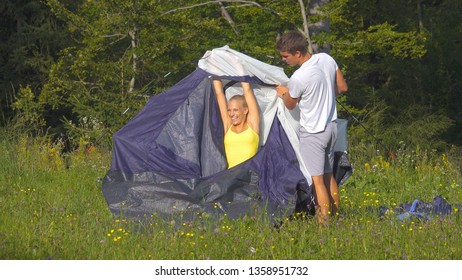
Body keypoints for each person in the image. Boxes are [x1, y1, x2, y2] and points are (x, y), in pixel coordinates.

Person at [275, 30, 348, 224]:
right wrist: (324, 94)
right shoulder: (326, 59)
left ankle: (324, 225)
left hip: (313, 134)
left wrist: (283, 93)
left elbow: (290, 104)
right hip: (332, 128)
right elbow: (342, 88)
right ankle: (336, 217)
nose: (284, 60)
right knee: (329, 176)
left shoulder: (299, 77)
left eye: (285, 56)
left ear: (297, 53)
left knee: (317, 182)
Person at [212, 79, 260, 169]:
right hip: (231, 178)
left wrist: (239, 67)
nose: (231, 114)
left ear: (245, 110)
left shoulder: (252, 125)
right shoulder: (228, 126)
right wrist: (214, 68)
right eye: (229, 110)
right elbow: (219, 93)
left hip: (249, 177)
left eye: (235, 110)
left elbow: (247, 89)